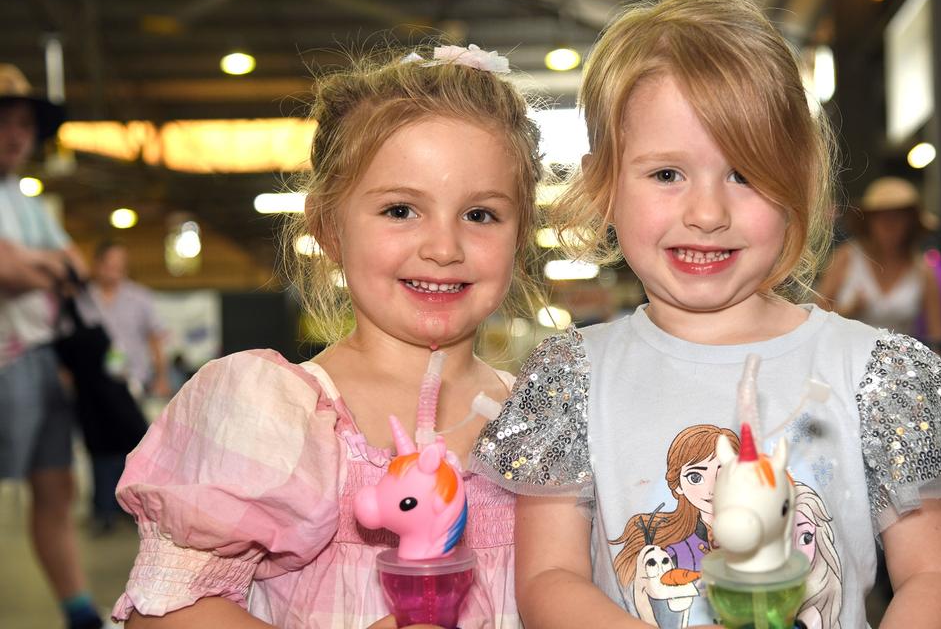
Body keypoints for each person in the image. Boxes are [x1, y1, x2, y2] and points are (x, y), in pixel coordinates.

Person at [475, 0, 941, 629]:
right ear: (603, 184)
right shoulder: (569, 377)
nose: (707, 213)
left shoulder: (877, 370)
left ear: (801, 182)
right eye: (667, 174)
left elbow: (933, 576)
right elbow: (548, 580)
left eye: (745, 173)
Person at [112, 44, 543, 628]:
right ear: (329, 229)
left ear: (521, 236)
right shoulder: (273, 412)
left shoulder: (545, 421)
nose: (444, 248)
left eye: (481, 214)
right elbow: (167, 613)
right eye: (399, 210)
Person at [0, 63, 103, 629]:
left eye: (23, 124)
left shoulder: (23, 197)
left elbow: (74, 266)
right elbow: (8, 271)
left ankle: (80, 613)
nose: (17, 135)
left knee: (55, 487)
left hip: (40, 360)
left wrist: (30, 262)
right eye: (5, 122)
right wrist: (42, 266)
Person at [76, 240, 169, 533]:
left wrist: (161, 374)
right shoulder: (82, 299)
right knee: (98, 445)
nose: (115, 272)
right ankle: (102, 508)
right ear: (97, 265)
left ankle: (132, 507)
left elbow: (155, 338)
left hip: (131, 383)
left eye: (120, 266)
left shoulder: (140, 298)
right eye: (109, 265)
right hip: (93, 386)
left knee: (135, 444)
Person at [815, 177, 941, 344]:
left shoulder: (923, 271)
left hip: (899, 364)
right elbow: (816, 318)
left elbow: (938, 334)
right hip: (844, 358)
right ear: (869, 221)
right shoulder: (847, 257)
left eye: (897, 217)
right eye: (881, 216)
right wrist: (848, 310)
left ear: (910, 223)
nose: (889, 225)